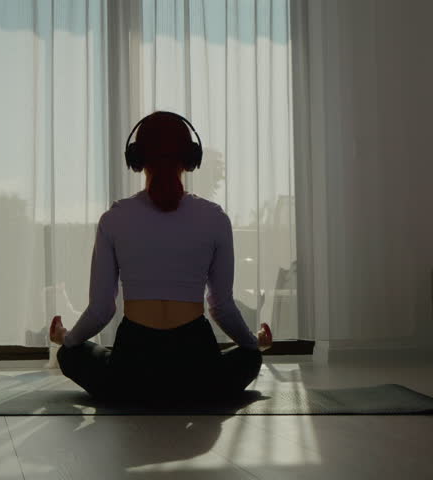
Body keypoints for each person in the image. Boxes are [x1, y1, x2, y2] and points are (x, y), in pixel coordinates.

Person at [49, 111, 272, 404]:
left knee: (71, 353)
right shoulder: (215, 219)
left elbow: (102, 309)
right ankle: (233, 363)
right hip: (198, 373)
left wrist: (66, 339)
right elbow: (221, 307)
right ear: (191, 158)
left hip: (131, 372)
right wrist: (254, 344)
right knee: (248, 357)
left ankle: (117, 375)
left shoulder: (114, 219)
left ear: (136, 158)